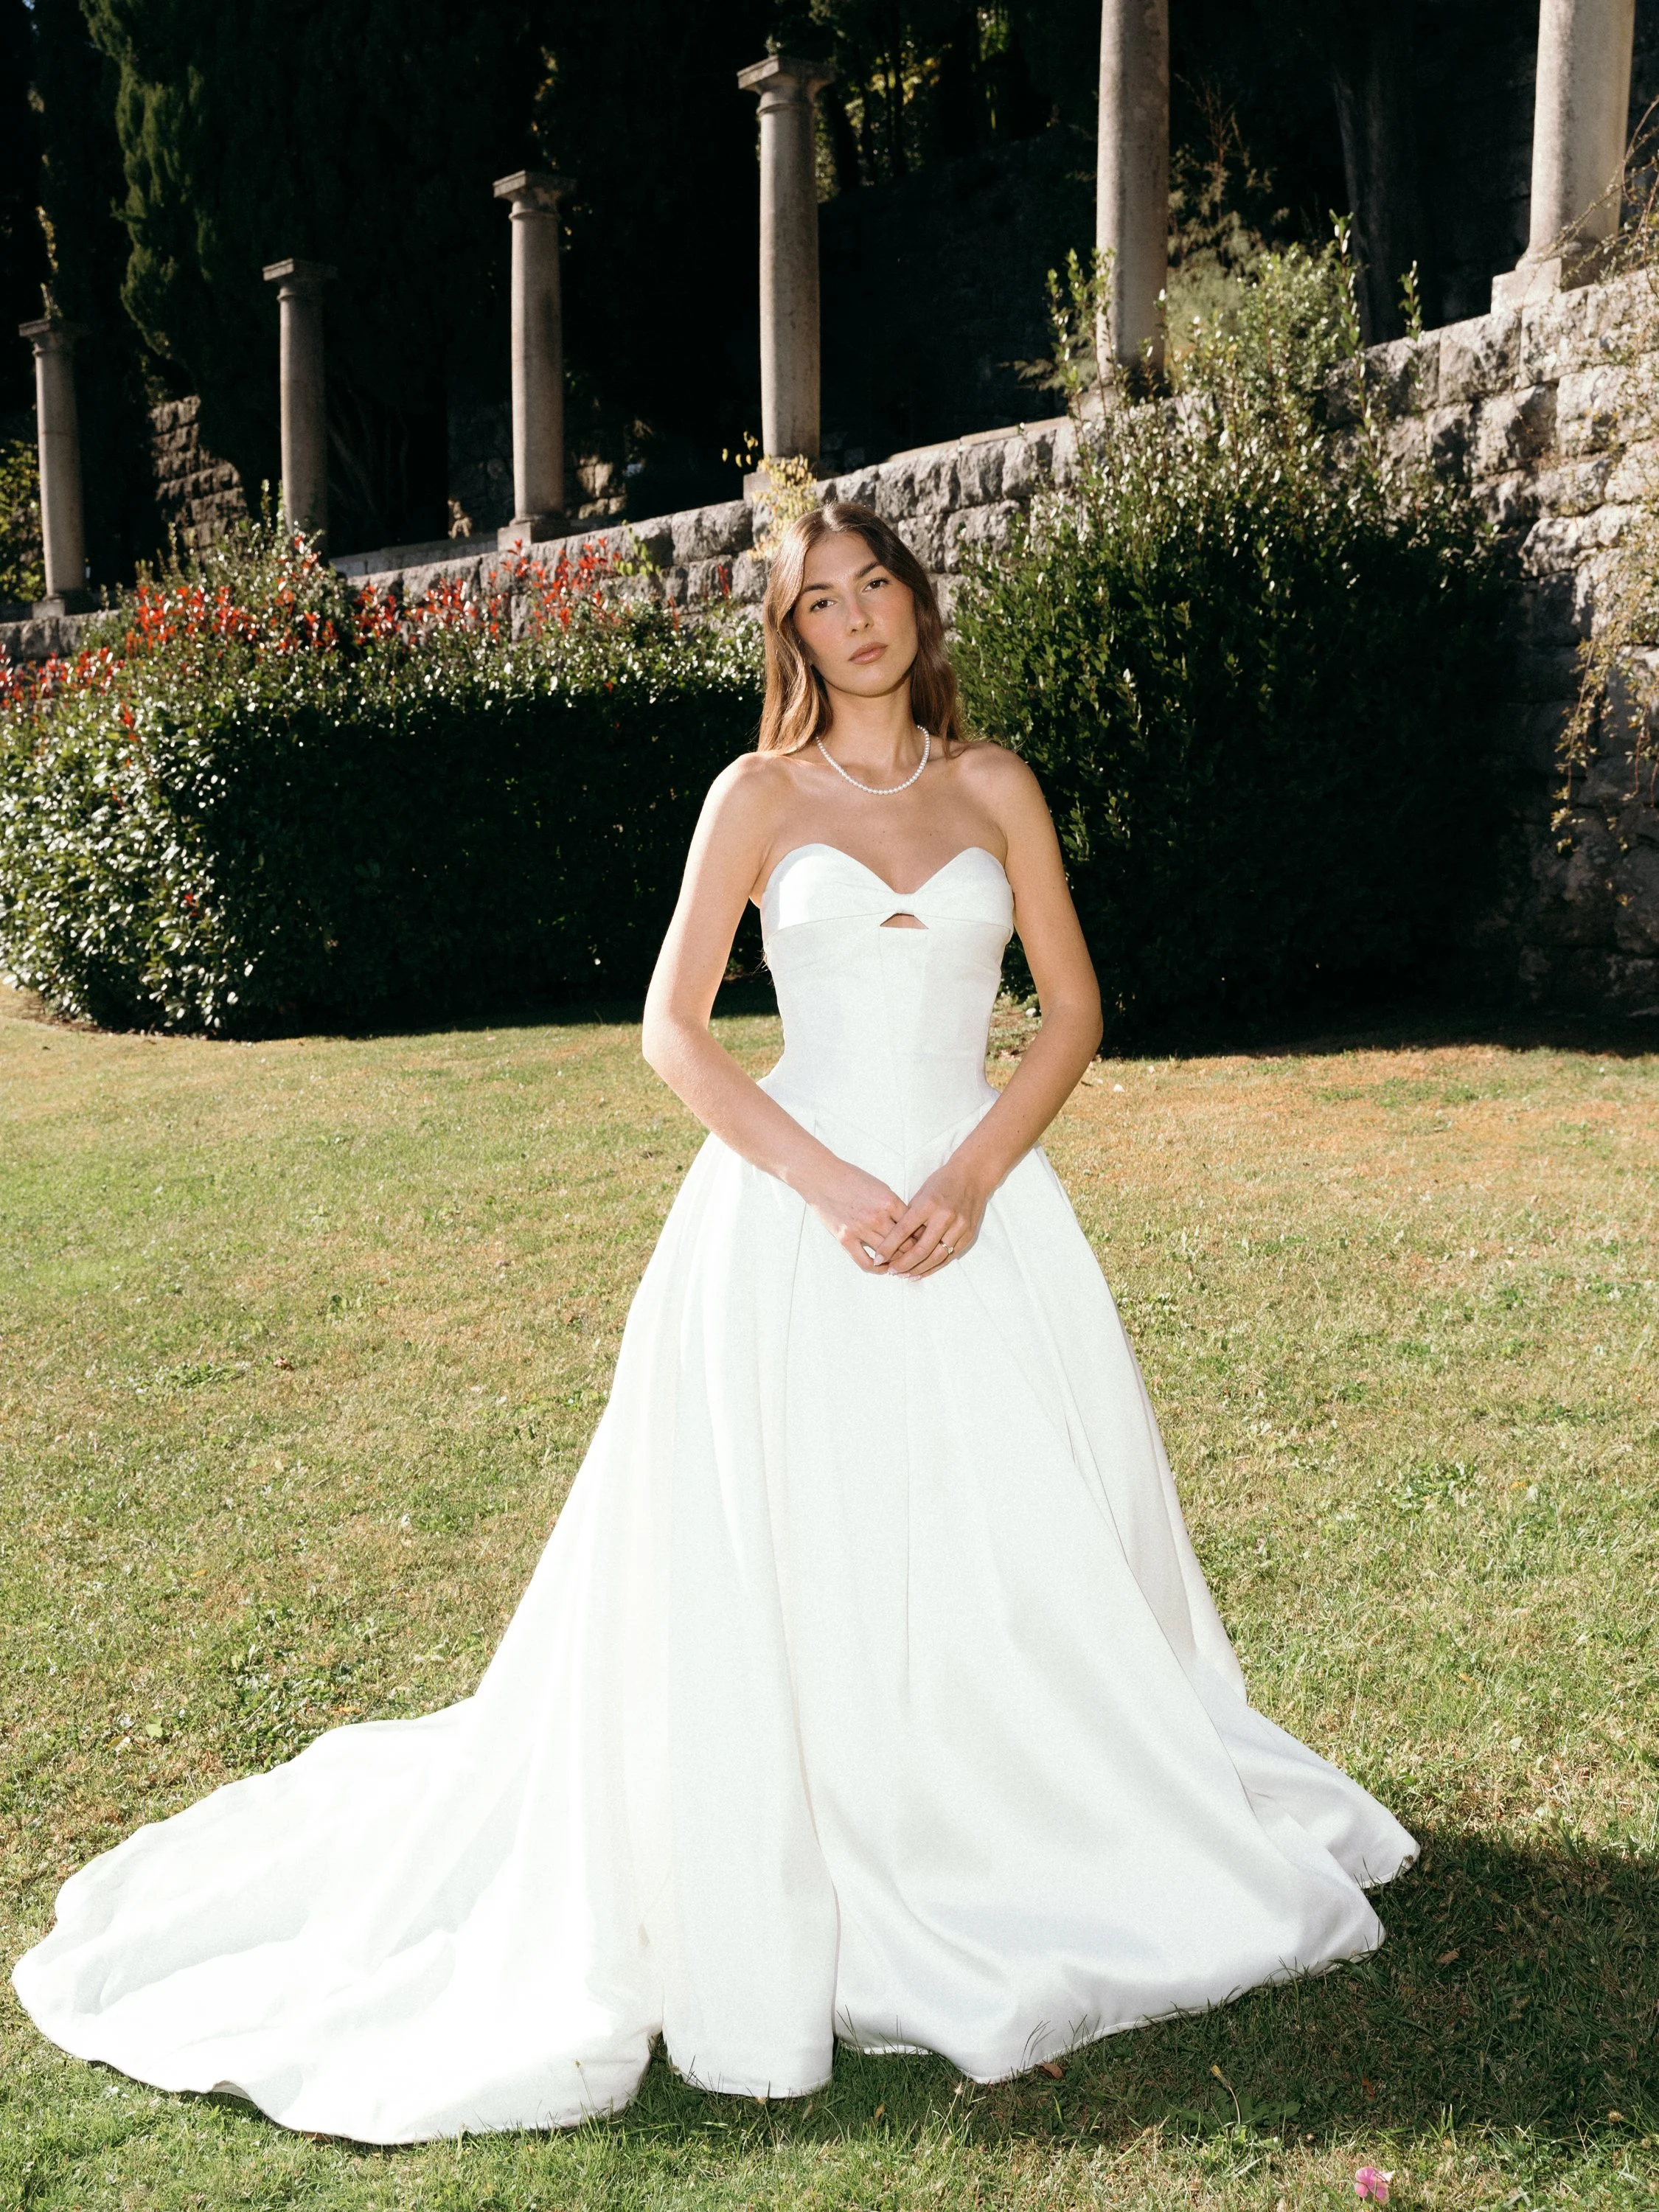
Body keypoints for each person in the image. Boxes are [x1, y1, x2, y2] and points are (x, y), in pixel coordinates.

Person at [13, 501, 1415, 2145]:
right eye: (820, 601)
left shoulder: (996, 786)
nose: (858, 617)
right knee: (790, 1544)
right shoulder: (755, 796)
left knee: (1011, 1536)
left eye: (875, 583)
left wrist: (964, 1181)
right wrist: (832, 1186)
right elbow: (674, 1034)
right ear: (794, 637)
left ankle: (1026, 1819)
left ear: (915, 601)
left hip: (983, 1216)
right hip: (789, 1223)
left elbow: (1076, 1011)